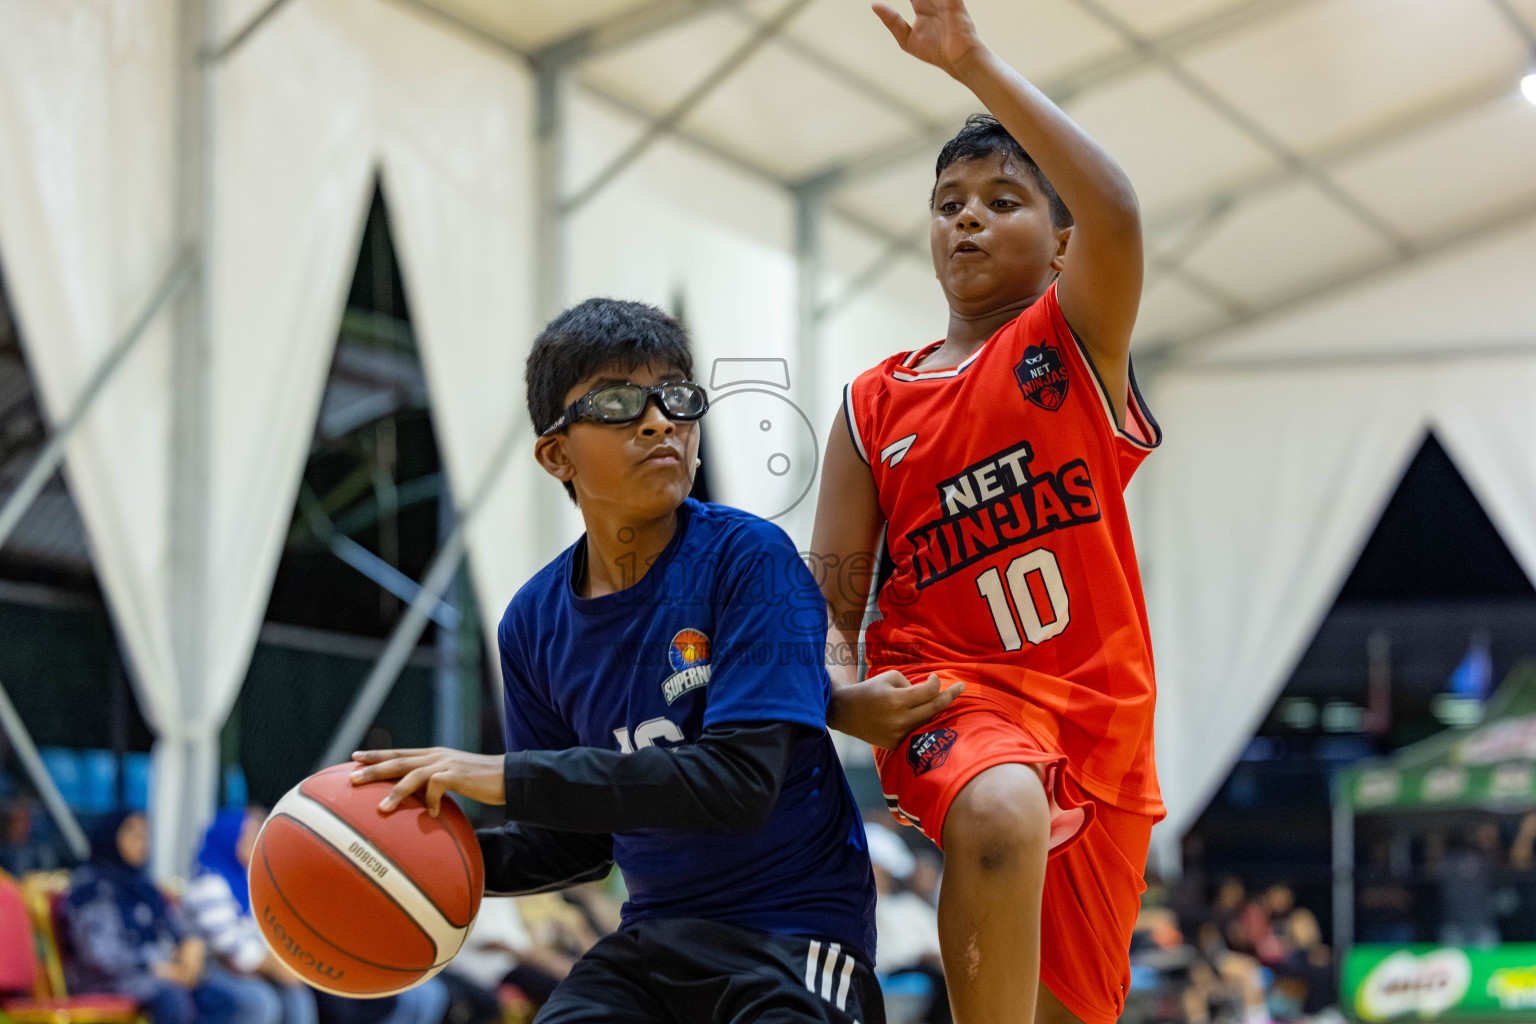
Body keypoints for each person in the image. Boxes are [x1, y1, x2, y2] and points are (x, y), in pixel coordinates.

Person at [349, 298, 881, 1023]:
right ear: (556, 455)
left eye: (676, 397)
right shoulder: (532, 622)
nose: (659, 421)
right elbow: (573, 845)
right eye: (618, 402)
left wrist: (503, 775)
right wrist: (414, 861)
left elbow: (739, 783)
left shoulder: (750, 558)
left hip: (792, 934)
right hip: (652, 942)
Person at [810, 2, 1161, 1021]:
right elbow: (829, 604)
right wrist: (840, 695)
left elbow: (1117, 209)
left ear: (1060, 245)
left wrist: (971, 63)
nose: (966, 217)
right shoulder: (874, 404)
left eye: (1002, 200)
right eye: (948, 203)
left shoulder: (1070, 341)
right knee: (1001, 807)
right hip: (950, 699)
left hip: (1099, 725)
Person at [184, 808, 449, 1024]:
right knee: (264, 1002)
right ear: (229, 838)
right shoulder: (210, 883)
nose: (256, 841)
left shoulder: (247, 880)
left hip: (272, 964)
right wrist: (275, 964)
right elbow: (230, 945)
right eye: (249, 835)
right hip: (217, 969)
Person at [63, 812, 229, 1024]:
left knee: (230, 999)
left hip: (161, 975)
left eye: (146, 836)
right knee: (173, 998)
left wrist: (190, 944)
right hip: (110, 981)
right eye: (135, 836)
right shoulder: (92, 888)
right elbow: (100, 954)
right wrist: (156, 967)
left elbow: (172, 927)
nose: (143, 844)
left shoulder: (143, 886)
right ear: (111, 836)